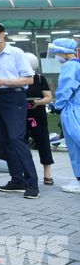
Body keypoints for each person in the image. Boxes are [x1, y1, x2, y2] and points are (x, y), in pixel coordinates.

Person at [0, 23, 38, 199]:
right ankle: (17, 180)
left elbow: (29, 79)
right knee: (5, 141)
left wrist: (5, 81)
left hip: (14, 98)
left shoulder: (16, 53)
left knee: (16, 139)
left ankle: (32, 184)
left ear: (2, 34)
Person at [49, 38, 80, 193]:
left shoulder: (70, 66)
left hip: (72, 109)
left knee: (75, 145)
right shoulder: (78, 64)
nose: (56, 55)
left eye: (57, 52)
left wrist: (57, 106)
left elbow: (65, 88)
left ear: (65, 53)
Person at [22, 52, 54, 185]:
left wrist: (37, 102)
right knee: (22, 145)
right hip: (21, 116)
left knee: (43, 143)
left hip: (38, 116)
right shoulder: (17, 79)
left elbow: (48, 97)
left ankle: (47, 175)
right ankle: (26, 173)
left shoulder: (40, 78)